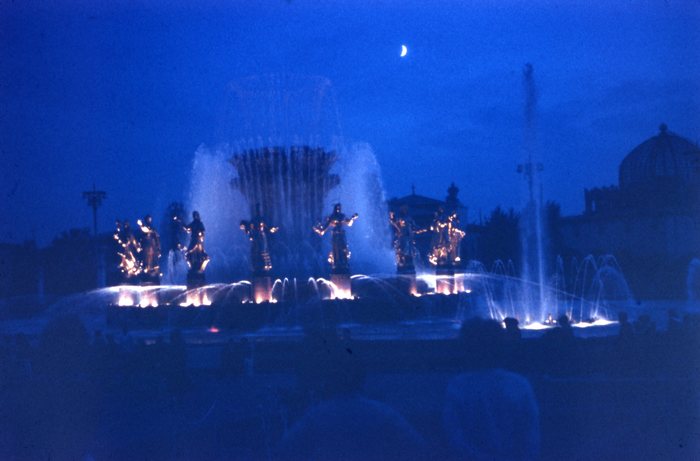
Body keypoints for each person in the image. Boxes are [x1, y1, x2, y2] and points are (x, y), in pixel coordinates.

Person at [314, 203, 358, 273]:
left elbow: (349, 223)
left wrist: (352, 218)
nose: (338, 209)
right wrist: (320, 230)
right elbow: (326, 227)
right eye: (337, 208)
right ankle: (336, 263)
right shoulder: (332, 217)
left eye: (339, 208)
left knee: (344, 248)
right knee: (336, 250)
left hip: (341, 234)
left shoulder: (342, 216)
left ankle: (344, 263)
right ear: (334, 208)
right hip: (335, 235)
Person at [240, 204, 278, 275]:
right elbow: (251, 228)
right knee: (258, 251)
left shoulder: (260, 220)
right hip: (257, 237)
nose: (258, 212)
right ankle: (258, 267)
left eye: (258, 210)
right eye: (257, 210)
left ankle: (266, 266)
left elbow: (266, 227)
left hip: (261, 237)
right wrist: (250, 235)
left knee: (264, 251)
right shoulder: (254, 220)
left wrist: (271, 229)